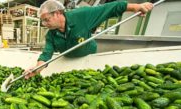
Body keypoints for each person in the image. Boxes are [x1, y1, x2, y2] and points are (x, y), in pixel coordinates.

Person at [24, 0, 154, 79]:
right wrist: (37, 69)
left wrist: (135, 7)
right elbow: (46, 55)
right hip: (68, 60)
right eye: (43, 21)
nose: (45, 24)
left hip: (89, 57)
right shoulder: (51, 35)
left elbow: (109, 8)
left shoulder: (81, 16)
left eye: (47, 20)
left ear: (58, 13)